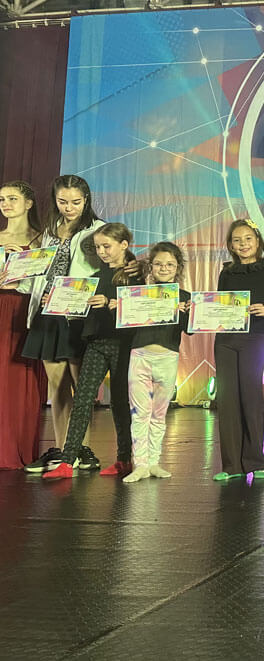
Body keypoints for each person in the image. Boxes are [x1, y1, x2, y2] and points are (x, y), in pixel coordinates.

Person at [20, 175, 107, 473]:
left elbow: (106, 271)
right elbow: (38, 271)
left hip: (78, 315)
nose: (69, 208)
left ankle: (82, 448)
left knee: (81, 387)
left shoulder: (98, 230)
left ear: (86, 199)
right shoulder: (48, 230)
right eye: (63, 201)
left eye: (75, 202)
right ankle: (61, 449)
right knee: (56, 387)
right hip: (48, 313)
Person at [43, 223, 143, 479]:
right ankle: (67, 461)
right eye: (97, 247)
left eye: (106, 246)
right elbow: (79, 308)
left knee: (120, 403)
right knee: (83, 399)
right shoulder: (95, 277)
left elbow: (143, 308)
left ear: (124, 245)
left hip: (123, 344)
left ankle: (124, 459)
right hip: (96, 343)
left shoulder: (137, 275)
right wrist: (55, 302)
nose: (101, 252)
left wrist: (112, 303)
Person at [213, 219, 264, 482]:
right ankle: (231, 465)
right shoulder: (227, 271)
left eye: (248, 239)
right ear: (230, 245)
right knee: (227, 400)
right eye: (237, 240)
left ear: (257, 241)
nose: (243, 244)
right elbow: (219, 304)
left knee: (251, 397)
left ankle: (256, 461)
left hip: (253, 337)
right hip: (225, 338)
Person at [123, 242, 191, 483]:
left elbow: (190, 330)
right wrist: (123, 307)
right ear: (150, 266)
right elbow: (126, 324)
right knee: (139, 413)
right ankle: (140, 464)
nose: (164, 268)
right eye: (159, 264)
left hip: (167, 358)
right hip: (140, 356)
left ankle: (154, 462)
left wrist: (187, 312)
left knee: (159, 414)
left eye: (170, 264)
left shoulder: (184, 297)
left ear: (178, 268)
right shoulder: (139, 293)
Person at [0, 181, 46, 469]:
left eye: (12, 198)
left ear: (28, 203)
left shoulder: (43, 239)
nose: (5, 204)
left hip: (23, 310)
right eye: (2, 199)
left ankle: (15, 446)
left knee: (18, 375)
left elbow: (45, 278)